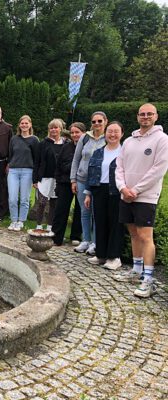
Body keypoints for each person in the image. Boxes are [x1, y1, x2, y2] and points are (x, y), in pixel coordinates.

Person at [113, 104, 168, 298]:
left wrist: (135, 190)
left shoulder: (162, 140)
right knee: (134, 233)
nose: (145, 117)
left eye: (149, 114)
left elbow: (158, 169)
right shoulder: (128, 141)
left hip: (145, 196)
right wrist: (122, 188)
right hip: (126, 194)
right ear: (137, 117)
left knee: (146, 237)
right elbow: (119, 167)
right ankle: (136, 271)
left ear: (156, 116)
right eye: (142, 114)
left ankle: (149, 279)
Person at [83, 121, 124, 269]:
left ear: (121, 134)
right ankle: (101, 254)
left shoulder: (124, 152)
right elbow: (90, 173)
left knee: (115, 223)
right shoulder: (98, 152)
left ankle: (114, 257)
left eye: (116, 131)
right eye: (110, 131)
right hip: (99, 189)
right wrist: (88, 193)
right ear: (105, 133)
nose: (112, 134)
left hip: (117, 190)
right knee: (100, 222)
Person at [70, 111, 107, 255]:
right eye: (94, 121)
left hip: (98, 182)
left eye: (99, 121)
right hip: (81, 179)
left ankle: (95, 242)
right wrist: (73, 179)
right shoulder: (85, 138)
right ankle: (85, 240)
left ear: (105, 121)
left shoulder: (108, 138)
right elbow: (76, 159)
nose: (96, 124)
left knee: (96, 213)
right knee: (84, 212)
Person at [52, 122, 85, 246]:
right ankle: (56, 236)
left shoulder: (87, 146)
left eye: (77, 132)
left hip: (82, 182)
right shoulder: (66, 147)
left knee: (80, 209)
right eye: (72, 132)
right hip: (65, 182)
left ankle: (76, 236)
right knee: (61, 209)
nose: (75, 135)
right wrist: (58, 182)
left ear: (83, 133)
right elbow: (58, 165)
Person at [7, 115, 39, 231]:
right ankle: (13, 220)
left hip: (27, 171)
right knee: (12, 198)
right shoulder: (14, 139)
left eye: (26, 123)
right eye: (22, 123)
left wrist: (36, 178)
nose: (24, 125)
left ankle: (21, 221)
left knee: (24, 199)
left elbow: (37, 159)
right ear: (19, 125)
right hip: (13, 171)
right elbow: (10, 155)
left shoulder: (34, 140)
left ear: (30, 125)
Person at [33, 119, 65, 231]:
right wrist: (35, 180)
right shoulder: (43, 143)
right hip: (44, 178)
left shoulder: (65, 144)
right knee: (42, 202)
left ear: (60, 129)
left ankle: (50, 226)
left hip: (58, 179)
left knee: (54, 203)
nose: (53, 130)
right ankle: (39, 225)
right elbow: (37, 162)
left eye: (56, 127)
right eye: (51, 128)